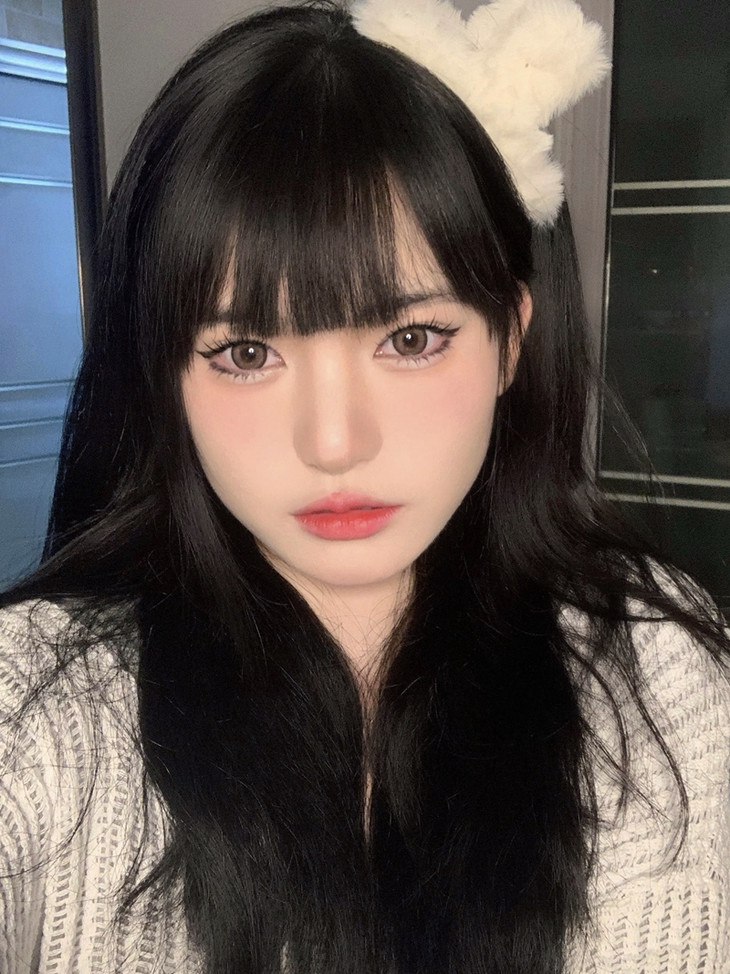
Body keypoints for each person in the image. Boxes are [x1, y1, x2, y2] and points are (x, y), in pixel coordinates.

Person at [1, 1, 729, 972]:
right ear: (164, 372)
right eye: (246, 351)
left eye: (411, 338)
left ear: (511, 340)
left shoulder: (656, 668)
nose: (335, 442)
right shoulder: (37, 703)